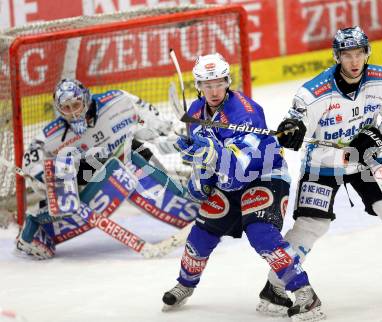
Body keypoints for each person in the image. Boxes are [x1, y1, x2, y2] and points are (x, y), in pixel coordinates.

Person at [257, 26, 382, 315]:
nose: (354, 61)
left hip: (365, 159)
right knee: (310, 226)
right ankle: (275, 285)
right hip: (323, 164)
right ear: (337, 56)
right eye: (347, 55)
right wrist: (292, 131)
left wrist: (378, 138)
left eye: (359, 54)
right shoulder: (313, 93)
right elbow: (296, 121)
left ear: (367, 53)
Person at [161, 53, 325, 321]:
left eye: (219, 83)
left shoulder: (246, 112)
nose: (214, 91)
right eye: (207, 84)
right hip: (228, 183)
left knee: (261, 234)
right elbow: (207, 163)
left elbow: (242, 166)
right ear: (198, 86)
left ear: (228, 81)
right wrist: (200, 172)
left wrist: (210, 154)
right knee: (201, 235)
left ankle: (306, 294)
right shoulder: (194, 112)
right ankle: (185, 284)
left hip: (264, 176)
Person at [16, 78, 175, 259]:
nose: (73, 113)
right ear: (59, 110)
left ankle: (177, 194)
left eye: (76, 105)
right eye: (66, 109)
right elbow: (30, 161)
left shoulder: (118, 100)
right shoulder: (51, 135)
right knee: (61, 174)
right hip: (91, 171)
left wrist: (165, 130)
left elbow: (149, 118)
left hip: (124, 154)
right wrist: (45, 178)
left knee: (136, 149)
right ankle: (39, 226)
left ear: (86, 99)